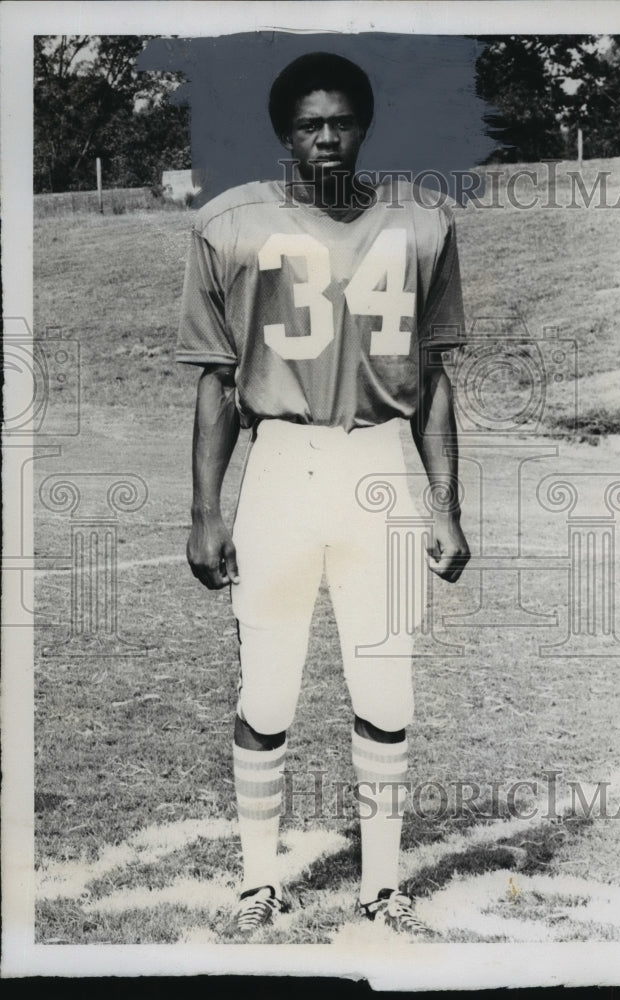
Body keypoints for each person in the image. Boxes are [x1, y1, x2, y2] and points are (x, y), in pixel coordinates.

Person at [176, 52, 470, 938]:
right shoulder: (228, 225)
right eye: (311, 124)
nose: (329, 136)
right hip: (281, 466)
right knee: (267, 690)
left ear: (365, 124)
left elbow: (433, 376)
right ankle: (259, 879)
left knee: (386, 689)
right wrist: (203, 509)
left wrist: (447, 504)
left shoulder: (420, 223)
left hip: (380, 463)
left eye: (342, 120)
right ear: (284, 132)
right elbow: (217, 383)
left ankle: (383, 884)